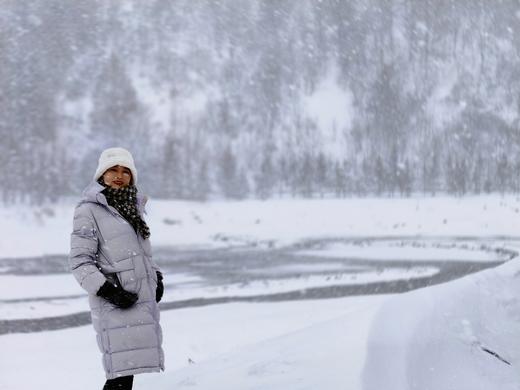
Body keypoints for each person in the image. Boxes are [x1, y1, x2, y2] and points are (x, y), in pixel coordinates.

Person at [69, 147, 165, 390]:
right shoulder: (88, 210)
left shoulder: (133, 208)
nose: (119, 175)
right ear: (101, 175)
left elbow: (142, 253)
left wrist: (156, 276)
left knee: (125, 374)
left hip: (139, 300)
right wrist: (109, 291)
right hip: (115, 303)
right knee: (120, 375)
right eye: (112, 169)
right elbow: (80, 262)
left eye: (126, 171)